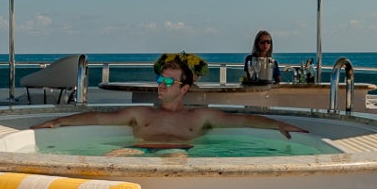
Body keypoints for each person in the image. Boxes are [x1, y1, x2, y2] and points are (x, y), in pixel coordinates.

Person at [34, 52, 307, 149]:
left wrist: (278, 124)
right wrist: (58, 122)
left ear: (184, 88)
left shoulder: (199, 117)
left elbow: (243, 119)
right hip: (137, 153)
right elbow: (96, 117)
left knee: (175, 156)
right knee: (113, 157)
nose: (160, 86)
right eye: (160, 80)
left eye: (168, 82)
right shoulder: (140, 114)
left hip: (181, 154)